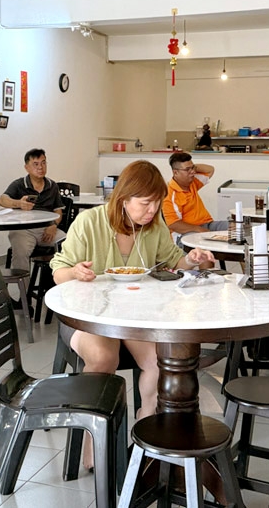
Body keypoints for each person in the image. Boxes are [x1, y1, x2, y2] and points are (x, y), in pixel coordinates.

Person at [51, 160, 215, 469]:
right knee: (103, 358)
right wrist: (75, 272)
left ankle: (145, 436)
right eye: (145, 203)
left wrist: (193, 260)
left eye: (157, 202)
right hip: (89, 318)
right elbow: (58, 270)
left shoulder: (153, 227)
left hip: (133, 318)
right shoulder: (89, 222)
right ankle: (92, 444)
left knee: (158, 362)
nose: (152, 210)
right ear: (123, 198)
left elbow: (173, 260)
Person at [0, 149, 66, 275]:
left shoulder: (52, 186)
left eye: (43, 163)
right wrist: (18, 203)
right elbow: (2, 200)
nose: (40, 167)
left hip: (47, 228)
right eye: (36, 164)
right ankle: (24, 292)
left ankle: (54, 286)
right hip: (23, 229)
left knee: (69, 244)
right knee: (21, 252)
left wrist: (54, 225)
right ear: (27, 167)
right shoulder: (19, 184)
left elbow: (58, 210)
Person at [162, 152, 229, 245]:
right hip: (184, 233)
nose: (193, 172)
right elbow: (173, 224)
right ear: (175, 172)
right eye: (187, 169)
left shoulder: (192, 182)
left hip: (207, 225)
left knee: (236, 228)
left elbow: (210, 170)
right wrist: (199, 229)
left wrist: (191, 167)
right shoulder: (169, 194)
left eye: (193, 168)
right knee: (197, 242)